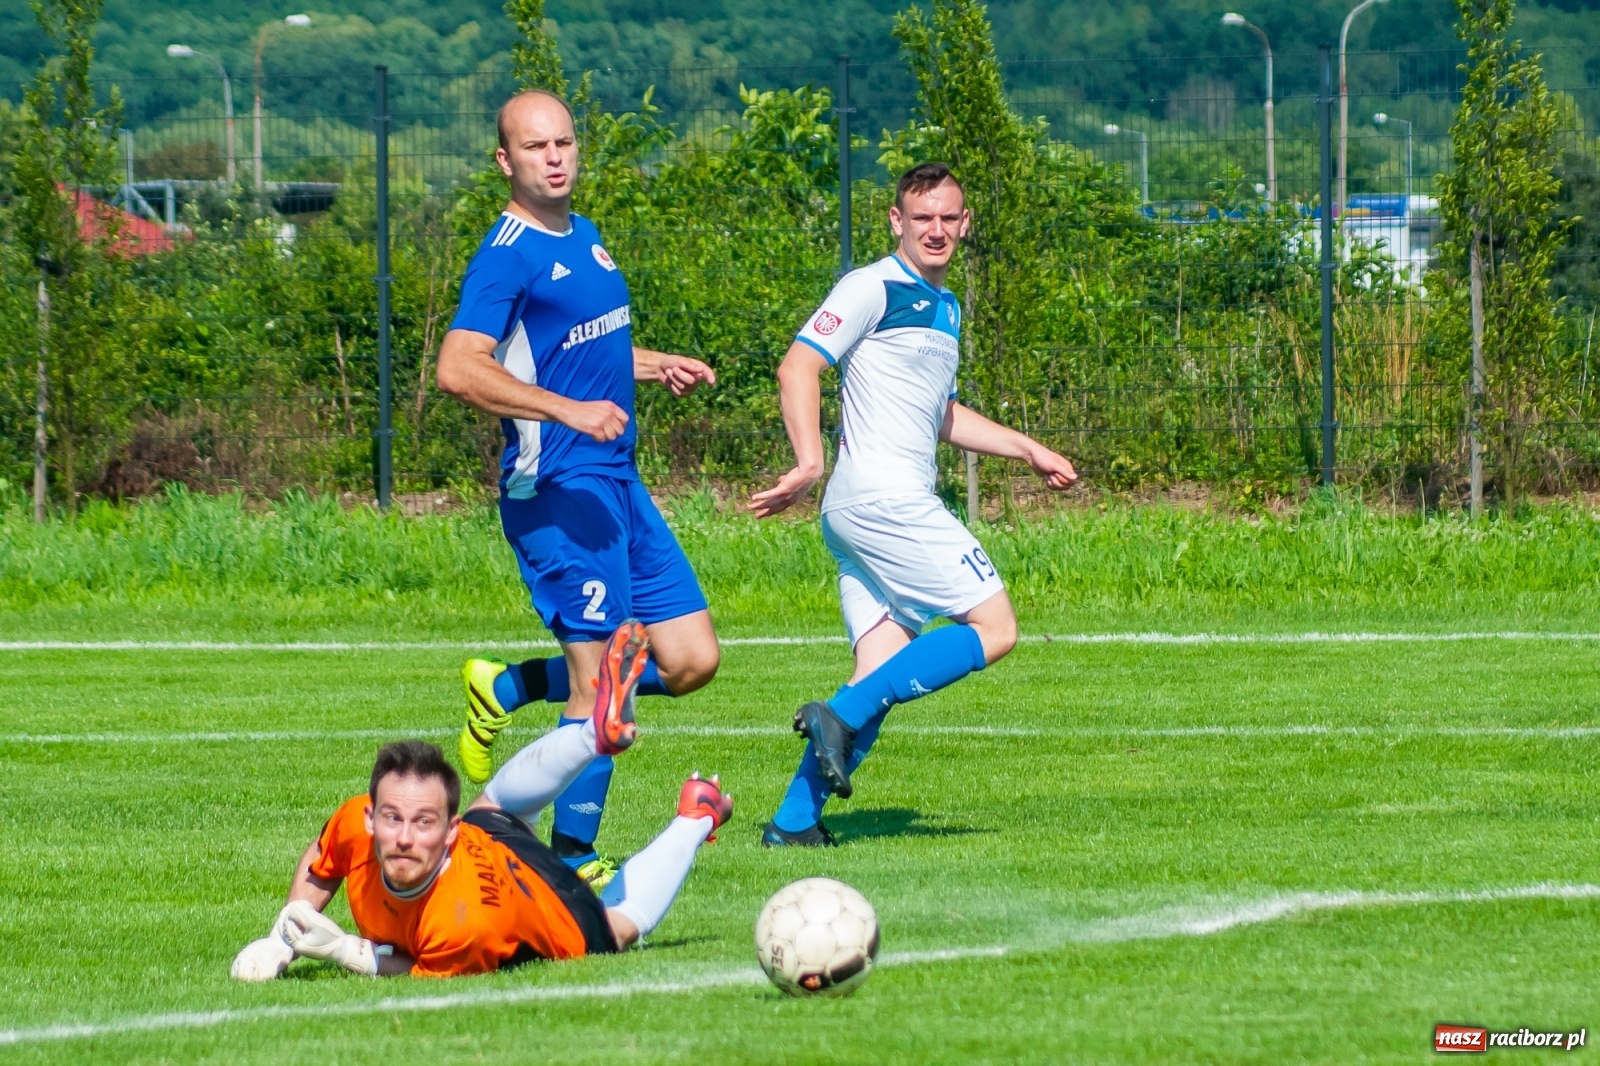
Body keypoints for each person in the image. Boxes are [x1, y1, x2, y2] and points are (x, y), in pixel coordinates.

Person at [435, 89, 721, 885]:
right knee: (605, 683)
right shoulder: (506, 254)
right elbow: (459, 368)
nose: (555, 158)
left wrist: (651, 362)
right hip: (553, 491)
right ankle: (573, 862)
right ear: (506, 161)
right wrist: (567, 412)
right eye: (536, 148)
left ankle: (513, 683)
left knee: (692, 658)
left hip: (615, 484)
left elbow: (570, 351)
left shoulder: (585, 236)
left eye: (564, 143)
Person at [749, 162, 1079, 847]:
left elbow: (940, 414)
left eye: (948, 218)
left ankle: (792, 824)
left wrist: (1028, 449)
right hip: (883, 500)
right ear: (896, 221)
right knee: (996, 629)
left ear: (965, 224)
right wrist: (809, 461)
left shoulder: (947, 304)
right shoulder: (871, 286)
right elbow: (798, 364)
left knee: (880, 670)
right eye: (920, 217)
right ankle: (836, 714)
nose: (936, 230)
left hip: (866, 510)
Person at [231, 622, 733, 980]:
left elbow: (415, 969)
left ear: (448, 834)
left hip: (551, 905)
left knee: (615, 928)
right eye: (392, 818)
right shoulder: (352, 825)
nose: (404, 837)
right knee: (492, 805)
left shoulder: (463, 923)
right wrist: (283, 935)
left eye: (423, 822)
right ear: (369, 816)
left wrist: (344, 949)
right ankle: (592, 740)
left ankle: (697, 814)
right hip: (490, 833)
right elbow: (322, 863)